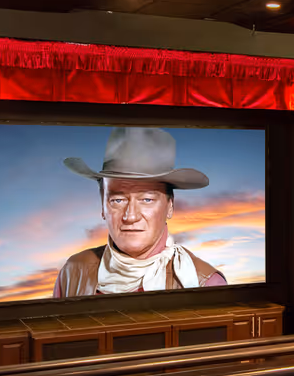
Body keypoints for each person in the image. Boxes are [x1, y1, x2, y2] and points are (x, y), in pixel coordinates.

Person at [53, 127, 228, 297]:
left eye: (147, 200)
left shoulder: (206, 285)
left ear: (170, 207)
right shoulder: (72, 272)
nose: (131, 216)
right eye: (118, 200)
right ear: (103, 207)